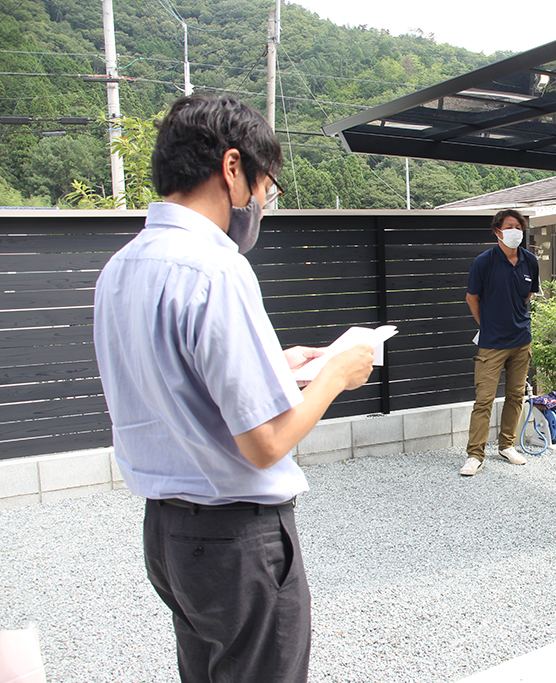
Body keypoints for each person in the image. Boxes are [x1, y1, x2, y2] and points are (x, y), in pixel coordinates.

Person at [93, 93, 374, 682]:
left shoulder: (121, 267)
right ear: (231, 167)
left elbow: (175, 379)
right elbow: (266, 442)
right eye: (266, 185)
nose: (263, 201)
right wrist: (335, 375)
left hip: (168, 533)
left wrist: (276, 360)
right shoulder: (216, 268)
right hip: (236, 538)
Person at [461, 209, 539, 476]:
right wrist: (488, 324)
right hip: (492, 343)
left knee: (516, 396)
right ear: (497, 231)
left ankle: (507, 445)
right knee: (483, 399)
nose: (516, 230)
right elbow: (472, 298)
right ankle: (475, 455)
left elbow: (527, 295)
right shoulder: (484, 262)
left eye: (519, 226)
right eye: (510, 226)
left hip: (521, 341)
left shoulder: (530, 261)